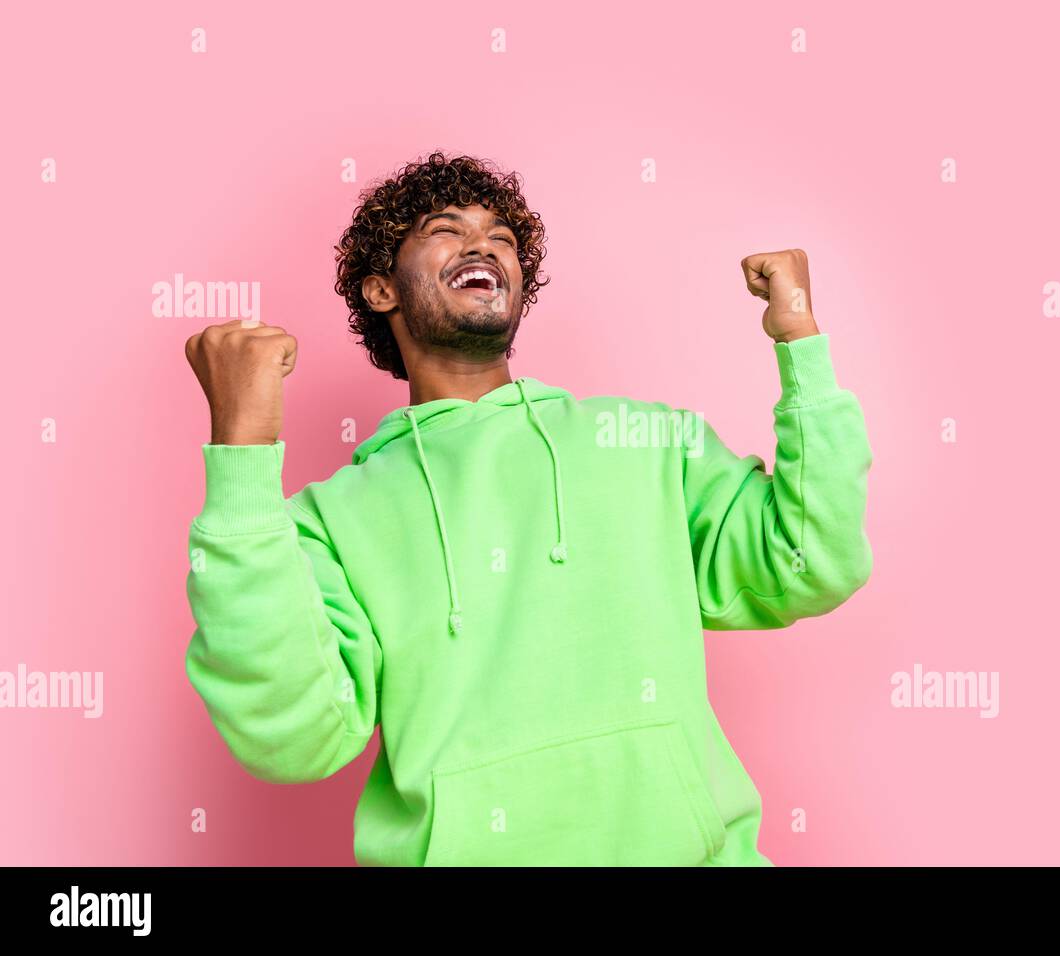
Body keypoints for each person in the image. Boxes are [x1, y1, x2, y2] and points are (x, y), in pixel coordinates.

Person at [182, 151, 874, 866]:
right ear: (382, 288)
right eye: (445, 230)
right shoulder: (327, 523)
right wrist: (243, 447)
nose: (482, 244)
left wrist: (800, 340)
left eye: (502, 238)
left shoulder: (645, 441)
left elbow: (811, 561)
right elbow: (293, 736)